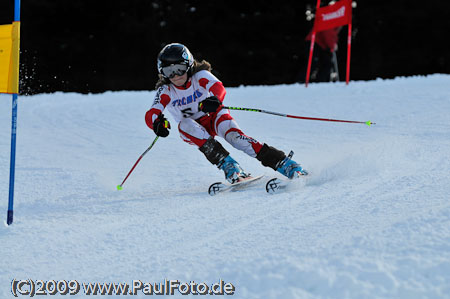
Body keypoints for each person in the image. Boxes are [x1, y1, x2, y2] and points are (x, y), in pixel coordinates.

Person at [145, 43, 308, 184]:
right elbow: (152, 113)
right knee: (185, 125)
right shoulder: (166, 90)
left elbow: (218, 88)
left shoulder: (199, 76)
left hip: (214, 116)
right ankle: (231, 167)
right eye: (169, 71)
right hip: (194, 129)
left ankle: (286, 164)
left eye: (179, 69)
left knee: (235, 137)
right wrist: (157, 124)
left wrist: (215, 100)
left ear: (188, 65)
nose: (175, 76)